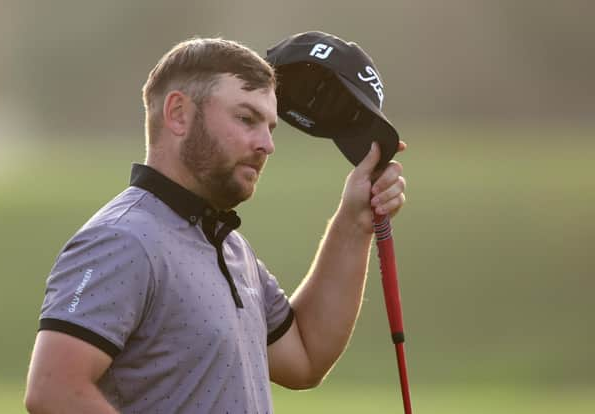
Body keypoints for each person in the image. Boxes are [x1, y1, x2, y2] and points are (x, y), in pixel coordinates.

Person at [24, 37, 407, 414]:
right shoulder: (121, 239)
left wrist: (354, 220)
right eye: (246, 119)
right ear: (178, 114)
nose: (267, 144)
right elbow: (54, 390)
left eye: (270, 127)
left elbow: (305, 356)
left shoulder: (229, 247)